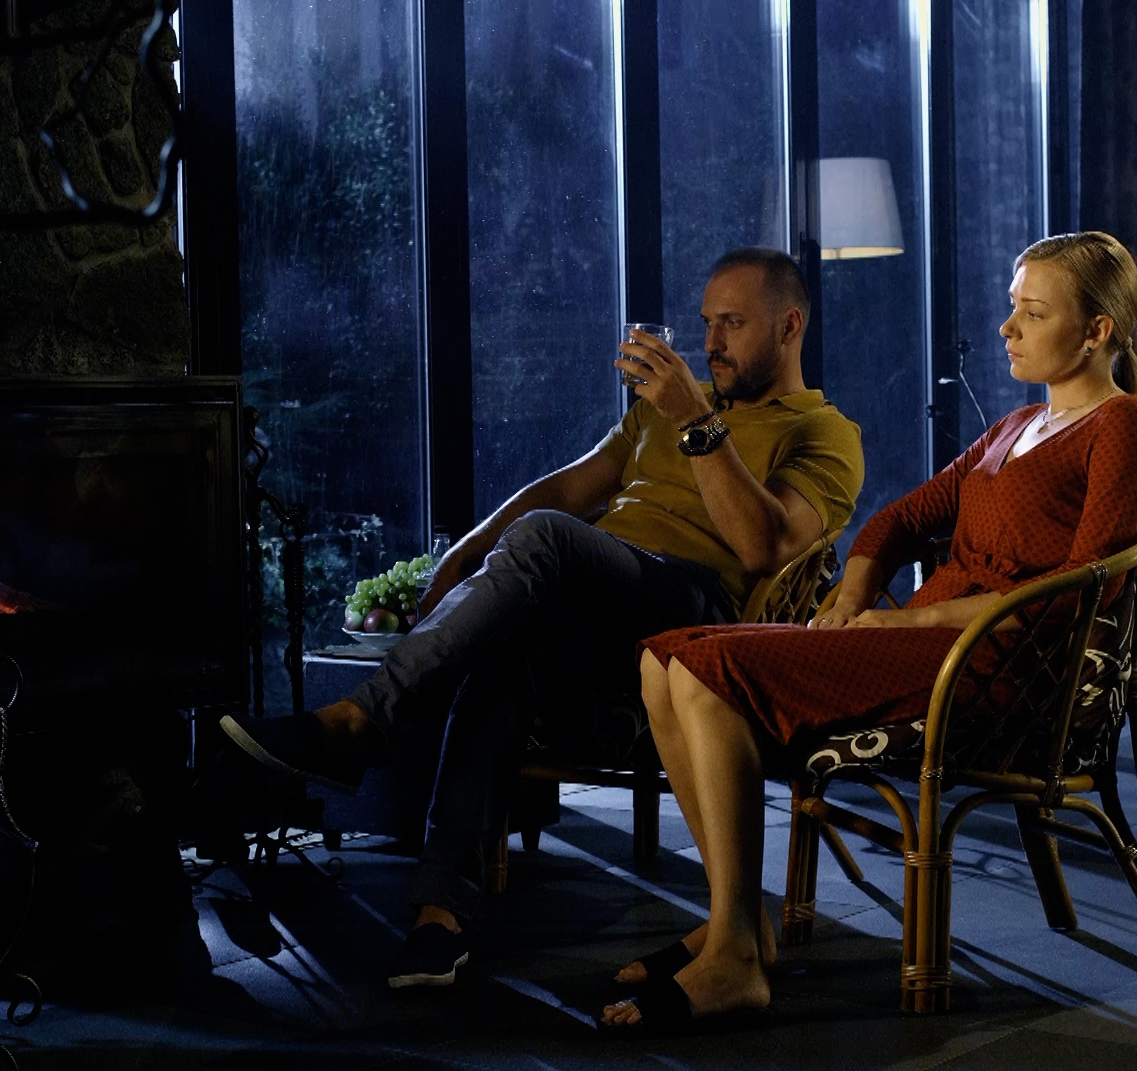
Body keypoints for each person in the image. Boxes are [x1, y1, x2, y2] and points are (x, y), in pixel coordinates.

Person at [221, 247, 864, 989]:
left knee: (545, 541)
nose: (710, 343)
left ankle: (364, 721)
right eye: (706, 323)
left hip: (695, 620)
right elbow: (563, 490)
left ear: (789, 326)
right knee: (508, 646)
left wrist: (694, 420)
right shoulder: (660, 415)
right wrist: (464, 552)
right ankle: (440, 917)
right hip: (602, 605)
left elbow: (761, 548)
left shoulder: (824, 433)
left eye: (733, 324)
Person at [603, 231, 1137, 1031]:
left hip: (993, 665)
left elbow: (1082, 592)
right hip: (927, 645)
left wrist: (921, 615)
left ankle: (735, 956)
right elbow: (899, 520)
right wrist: (855, 593)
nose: (1007, 327)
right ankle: (739, 924)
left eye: (1033, 313)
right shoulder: (1014, 428)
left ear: (1097, 331)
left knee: (701, 669)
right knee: (664, 658)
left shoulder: (1125, 426)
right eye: (1012, 307)